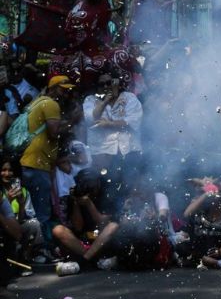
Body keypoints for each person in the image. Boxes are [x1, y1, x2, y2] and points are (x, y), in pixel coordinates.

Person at [19, 75, 74, 239]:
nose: (66, 94)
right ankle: (43, 249)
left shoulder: (37, 101)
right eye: (63, 90)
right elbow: (53, 132)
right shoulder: (51, 104)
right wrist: (71, 123)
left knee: (34, 209)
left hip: (30, 161)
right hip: (38, 163)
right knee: (42, 212)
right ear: (54, 88)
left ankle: (34, 245)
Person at [85, 72, 143, 197]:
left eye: (109, 82)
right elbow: (91, 118)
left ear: (116, 82)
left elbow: (133, 121)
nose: (106, 86)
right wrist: (105, 100)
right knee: (107, 192)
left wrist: (109, 124)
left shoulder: (129, 98)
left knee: (130, 189)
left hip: (129, 152)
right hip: (103, 154)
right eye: (102, 84)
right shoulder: (90, 100)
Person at [50, 167, 120, 271]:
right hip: (83, 239)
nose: (89, 187)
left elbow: (102, 222)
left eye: (91, 183)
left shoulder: (107, 195)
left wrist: (89, 204)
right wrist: (75, 203)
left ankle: (84, 261)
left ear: (98, 183)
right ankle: (94, 260)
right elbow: (78, 227)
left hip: (99, 236)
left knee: (113, 226)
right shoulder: (75, 196)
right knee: (58, 230)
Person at [1, 156, 42, 262]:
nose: (7, 174)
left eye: (10, 170)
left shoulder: (23, 191)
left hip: (17, 225)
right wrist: (8, 200)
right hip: (3, 226)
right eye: (4, 170)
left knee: (35, 224)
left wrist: (21, 204)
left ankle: (26, 256)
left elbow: (23, 219)